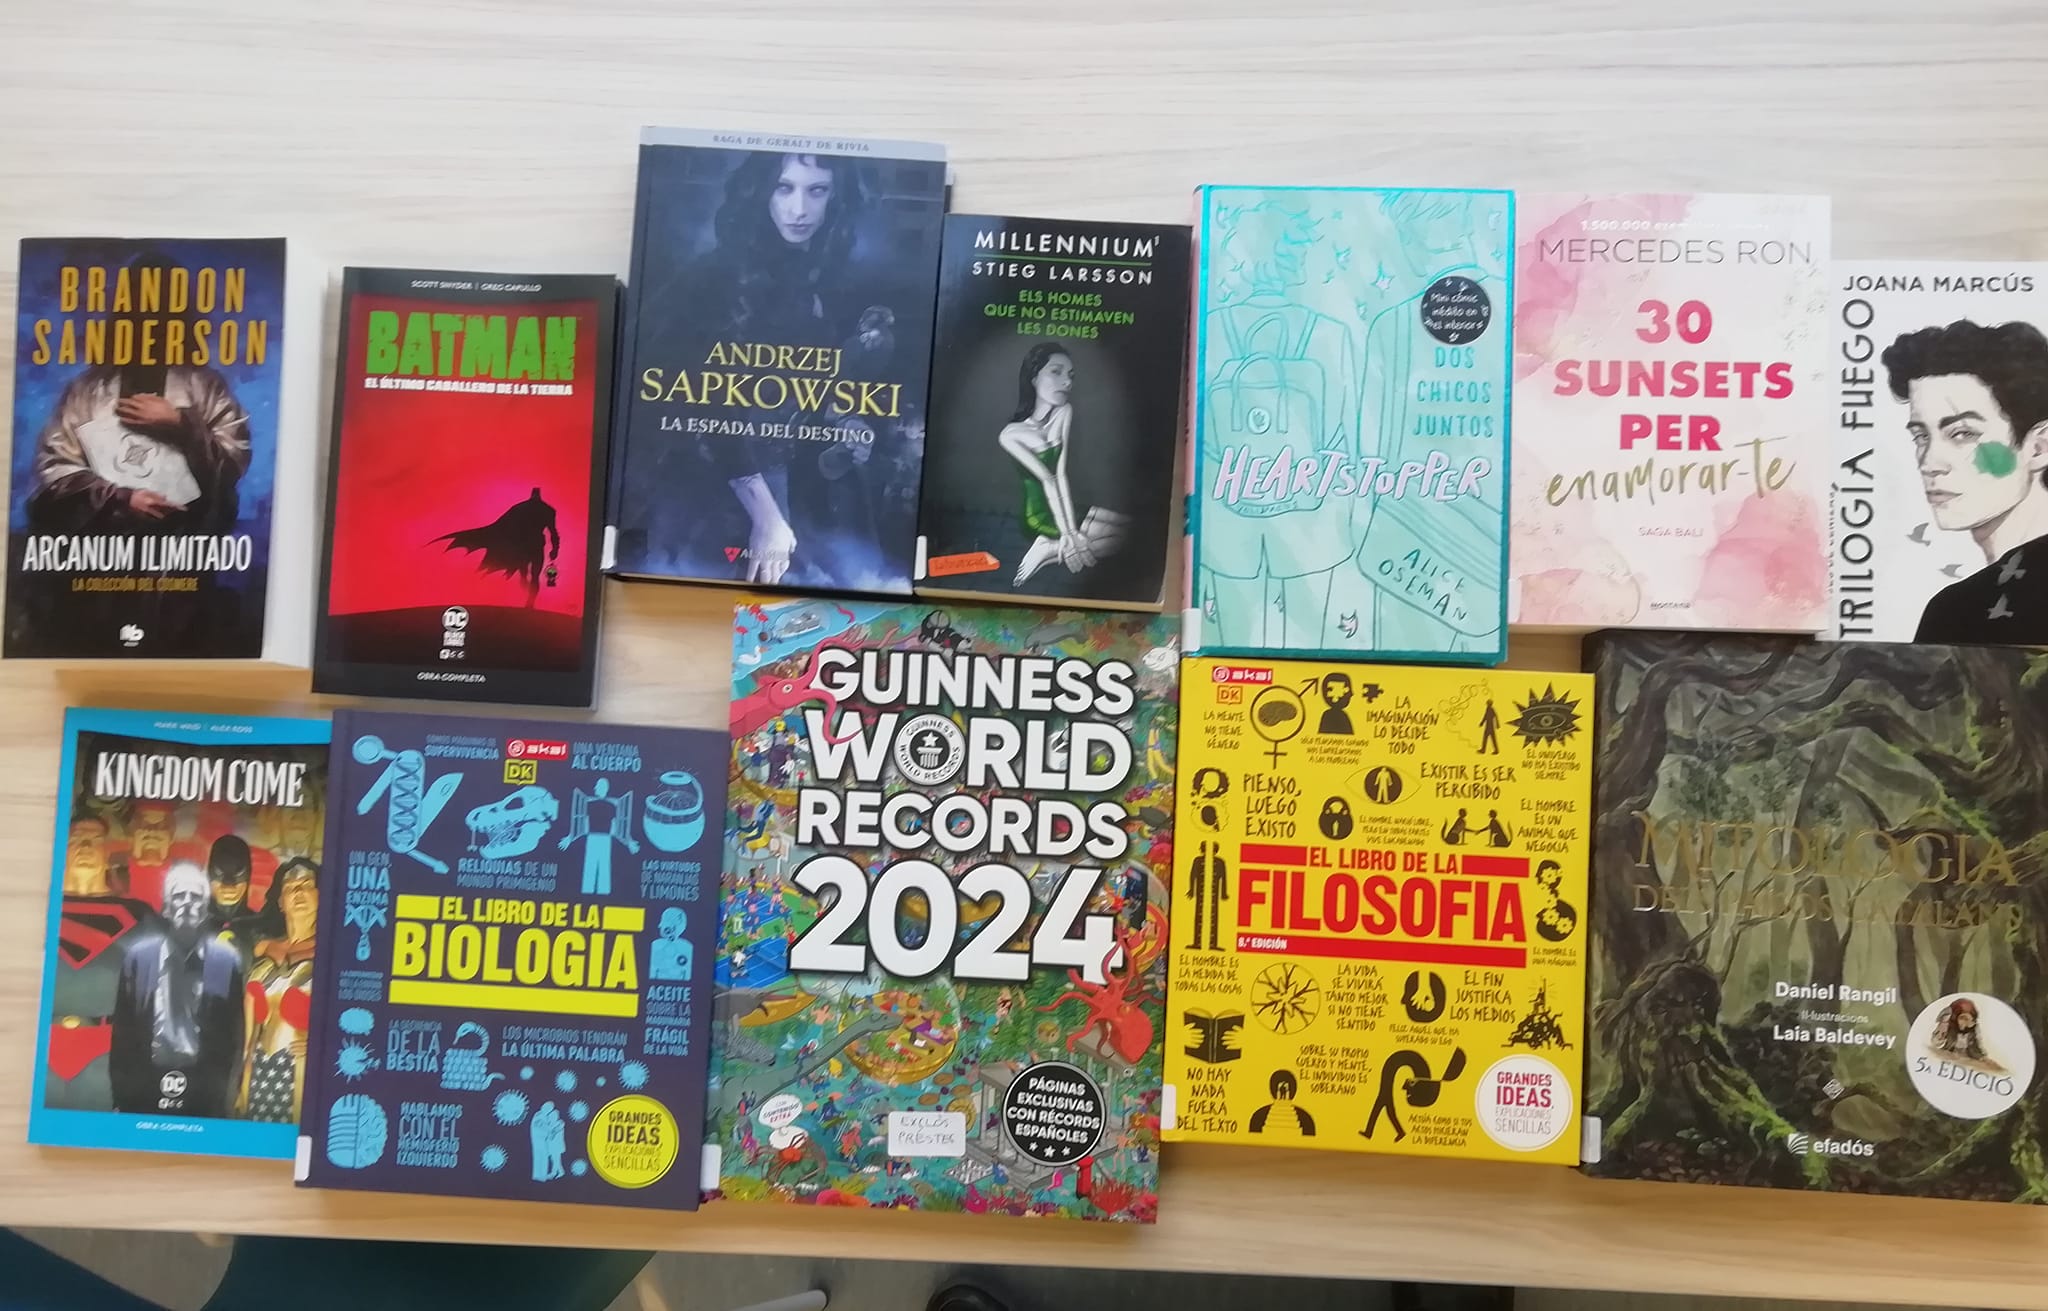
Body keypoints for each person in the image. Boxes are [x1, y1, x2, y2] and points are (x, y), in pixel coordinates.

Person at [691, 151, 883, 587]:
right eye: (784, 188)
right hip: (729, 479)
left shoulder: (828, 277)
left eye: (817, 190)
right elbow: (703, 401)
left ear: (836, 198)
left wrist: (846, 420)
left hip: (797, 472)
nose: (800, 209)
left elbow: (814, 383)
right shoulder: (716, 279)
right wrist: (766, 516)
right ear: (760, 192)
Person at [1880, 320, 2048, 642]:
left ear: (2039, 446)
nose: (1929, 463)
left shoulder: (1955, 610)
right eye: (1920, 436)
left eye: (1962, 433)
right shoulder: (1957, 608)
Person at [109, 864, 247, 1117]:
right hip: (144, 1087)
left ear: (205, 910)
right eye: (178, 896)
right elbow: (123, 1035)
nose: (187, 903)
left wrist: (226, 1101)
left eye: (195, 897)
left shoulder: (226, 962)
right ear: (166, 908)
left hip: (204, 1092)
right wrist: (121, 1097)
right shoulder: (139, 958)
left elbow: (235, 1039)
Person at [1000, 344, 1127, 585]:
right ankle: (1050, 548)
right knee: (1121, 539)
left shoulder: (1063, 412)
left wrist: (1071, 532)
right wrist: (1069, 533)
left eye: (1070, 375)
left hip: (1063, 505)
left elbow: (1060, 473)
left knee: (1130, 527)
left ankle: (1052, 548)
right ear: (1034, 377)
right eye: (1056, 372)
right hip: (1038, 515)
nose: (1067, 382)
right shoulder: (1010, 435)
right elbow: (1047, 480)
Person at [241, 858, 318, 1123]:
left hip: (302, 1070)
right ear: (280, 902)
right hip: (256, 1067)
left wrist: (324, 1044)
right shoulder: (262, 948)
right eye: (290, 887)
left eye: (307, 885)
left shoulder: (334, 952)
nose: (298, 892)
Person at [431, 487, 561, 607]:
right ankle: (530, 600)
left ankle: (530, 600)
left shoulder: (520, 508)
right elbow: (552, 532)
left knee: (525, 575)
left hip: (526, 546)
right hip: (532, 546)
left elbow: (506, 526)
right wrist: (554, 549)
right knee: (532, 575)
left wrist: (555, 548)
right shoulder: (547, 510)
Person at [649, 907, 693, 982]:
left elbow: (687, 974)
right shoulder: (655, 945)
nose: (660, 926)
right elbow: (652, 971)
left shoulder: (687, 947)